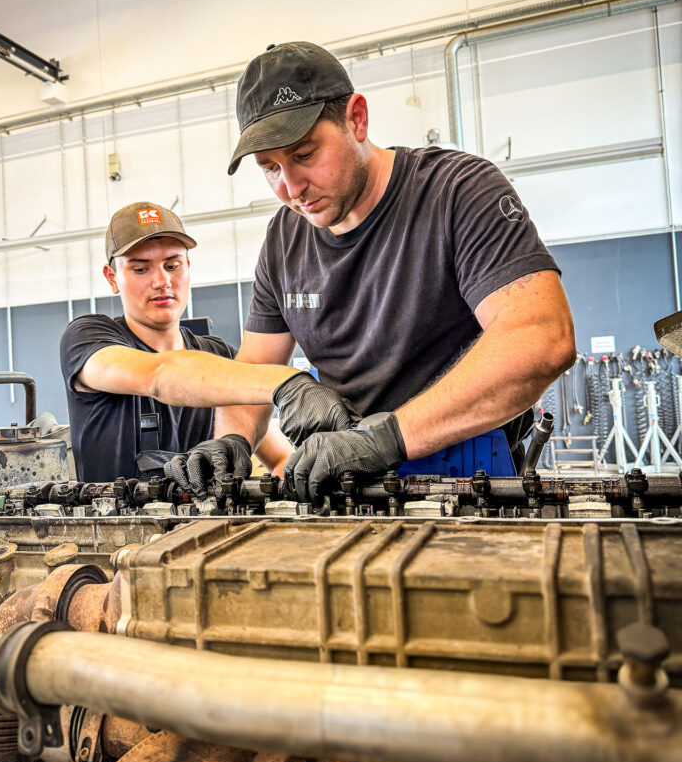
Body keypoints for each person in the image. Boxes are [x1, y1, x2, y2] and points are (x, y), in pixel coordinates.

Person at [196, 40, 576, 502]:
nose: (291, 188)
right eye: (270, 168)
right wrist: (231, 441)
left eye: (305, 154)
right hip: (345, 482)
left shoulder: (456, 192)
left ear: (357, 118)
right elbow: (254, 368)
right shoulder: (284, 240)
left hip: (470, 481)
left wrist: (384, 440)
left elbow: (540, 338)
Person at [60, 201, 355, 486]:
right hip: (114, 521)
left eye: (172, 265)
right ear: (112, 278)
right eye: (140, 269)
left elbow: (280, 458)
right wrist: (287, 384)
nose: (162, 281)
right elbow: (158, 374)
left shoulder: (220, 358)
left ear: (188, 266)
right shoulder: (87, 339)